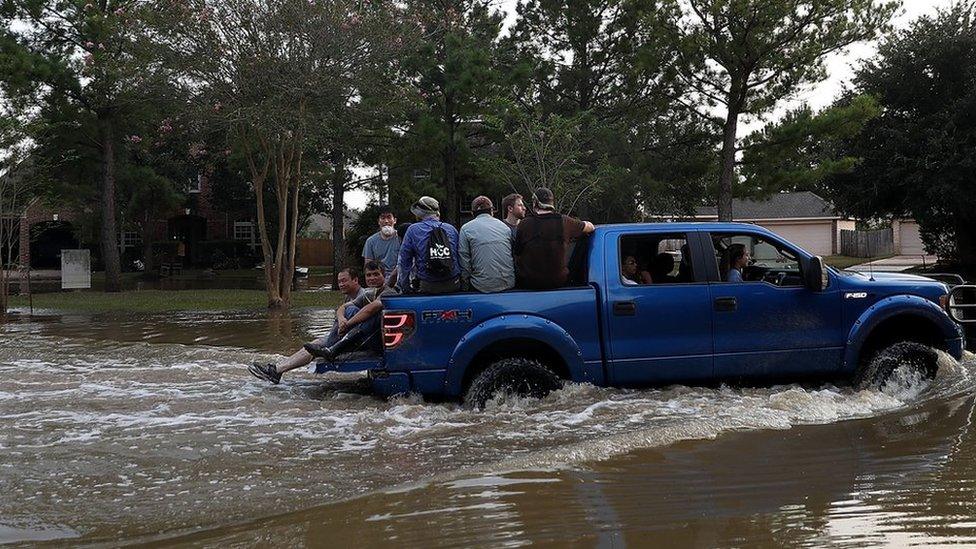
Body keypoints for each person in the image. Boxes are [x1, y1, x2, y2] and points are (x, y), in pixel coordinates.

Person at [247, 267, 369, 384]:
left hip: (353, 340)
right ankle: (277, 370)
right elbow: (341, 311)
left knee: (315, 346)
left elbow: (361, 324)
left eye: (344, 281)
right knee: (314, 344)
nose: (341, 284)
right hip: (344, 336)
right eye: (339, 282)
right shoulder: (350, 296)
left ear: (355, 280)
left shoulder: (363, 296)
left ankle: (276, 370)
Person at [305, 268, 400, 361]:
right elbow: (342, 307)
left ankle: (332, 350)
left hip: (381, 339)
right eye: (368, 275)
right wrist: (342, 320)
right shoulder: (370, 293)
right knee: (350, 309)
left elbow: (370, 310)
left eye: (376, 274)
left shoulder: (388, 292)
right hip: (365, 335)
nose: (372, 278)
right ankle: (330, 348)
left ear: (384, 276)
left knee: (373, 316)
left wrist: (347, 324)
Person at [513, 187, 595, 290]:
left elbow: (517, 254)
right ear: (552, 203)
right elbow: (590, 227)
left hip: (530, 284)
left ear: (535, 203)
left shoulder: (524, 224)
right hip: (558, 282)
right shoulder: (565, 221)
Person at [397, 196, 460, 294]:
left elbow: (405, 261)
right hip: (453, 283)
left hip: (428, 285)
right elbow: (460, 257)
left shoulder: (413, 230)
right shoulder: (451, 229)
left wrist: (405, 287)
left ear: (419, 214)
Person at [459, 196, 515, 293]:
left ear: (472, 213)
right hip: (508, 283)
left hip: (480, 286)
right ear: (492, 211)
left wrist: (465, 285)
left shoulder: (466, 229)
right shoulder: (505, 227)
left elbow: (464, 261)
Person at [362, 207, 401, 274]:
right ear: (378, 221)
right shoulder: (370, 241)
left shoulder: (402, 238)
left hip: (400, 275)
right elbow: (368, 265)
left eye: (389, 217)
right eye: (383, 218)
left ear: (395, 220)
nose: (386, 221)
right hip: (380, 277)